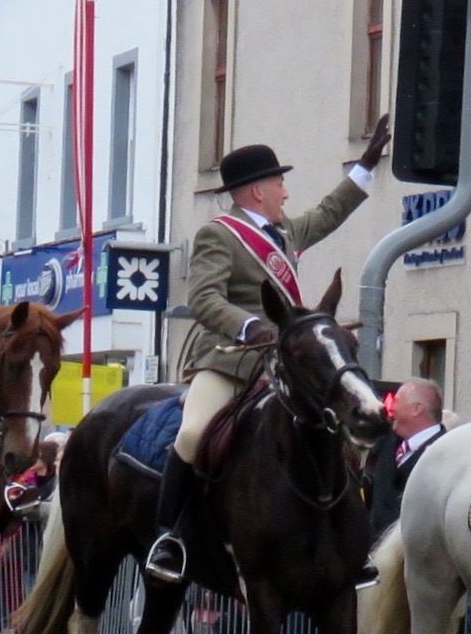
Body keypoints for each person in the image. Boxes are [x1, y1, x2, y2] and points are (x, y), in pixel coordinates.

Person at [146, 121, 388, 586]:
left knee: (334, 430)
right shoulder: (217, 236)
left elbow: (330, 212)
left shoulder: (285, 232)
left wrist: (367, 164)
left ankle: (349, 545)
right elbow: (204, 299)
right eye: (280, 183)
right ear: (256, 190)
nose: (286, 193)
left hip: (283, 364)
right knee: (194, 433)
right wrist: (251, 325)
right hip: (228, 360)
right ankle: (168, 537)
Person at [366, 378, 446, 544]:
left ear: (416, 409)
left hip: (415, 557)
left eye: (397, 401)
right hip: (377, 557)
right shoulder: (387, 443)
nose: (390, 407)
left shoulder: (445, 452)